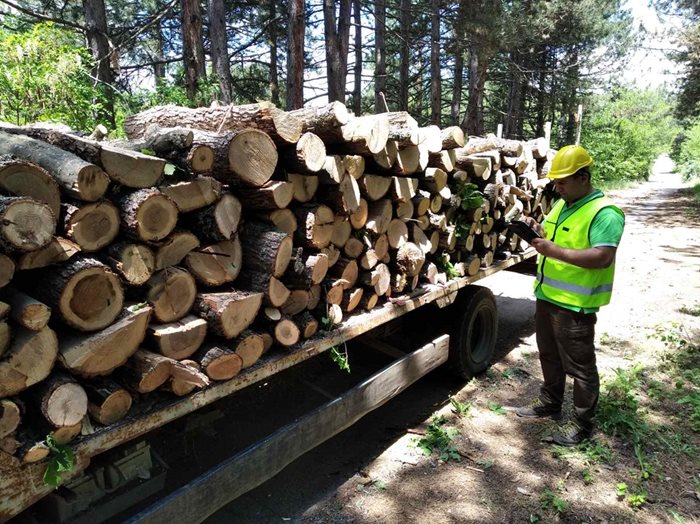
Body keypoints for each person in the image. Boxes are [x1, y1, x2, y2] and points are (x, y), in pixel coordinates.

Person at [516, 144, 625, 446]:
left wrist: (555, 251)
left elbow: (602, 256)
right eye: (555, 181)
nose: (556, 186)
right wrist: (537, 230)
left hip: (575, 305)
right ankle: (550, 403)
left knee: (580, 368)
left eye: (562, 181)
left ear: (584, 177)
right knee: (548, 355)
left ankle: (582, 425)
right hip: (548, 297)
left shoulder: (605, 213)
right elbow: (555, 237)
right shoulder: (563, 204)